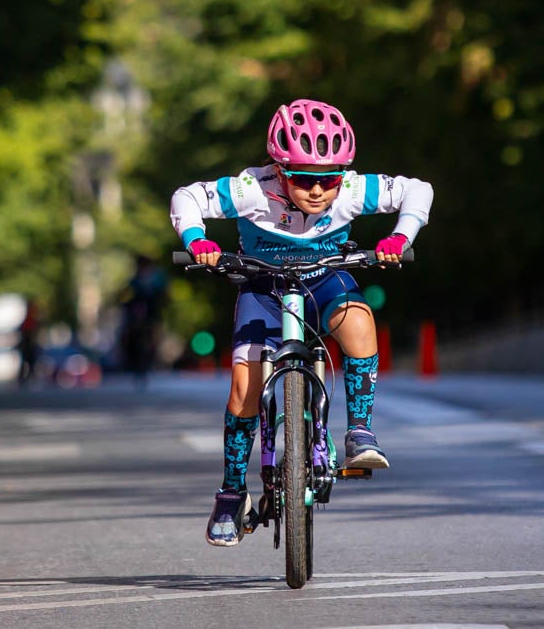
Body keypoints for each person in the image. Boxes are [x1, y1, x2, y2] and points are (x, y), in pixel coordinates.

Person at [171, 99, 433, 546]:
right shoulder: (251, 188)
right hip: (263, 292)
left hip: (326, 282)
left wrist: (398, 237)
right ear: (279, 168)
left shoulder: (352, 189)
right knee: (243, 389)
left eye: (328, 180)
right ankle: (232, 491)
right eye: (304, 179)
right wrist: (198, 240)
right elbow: (187, 197)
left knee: (359, 321)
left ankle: (359, 431)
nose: (318, 191)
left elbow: (418, 190)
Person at [118, 254, 167, 387]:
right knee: (131, 337)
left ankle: (150, 361)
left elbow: (163, 297)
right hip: (136, 317)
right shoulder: (134, 281)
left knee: (152, 339)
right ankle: (134, 364)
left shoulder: (157, 280)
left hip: (151, 316)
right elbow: (124, 298)